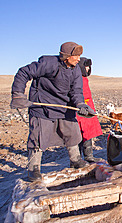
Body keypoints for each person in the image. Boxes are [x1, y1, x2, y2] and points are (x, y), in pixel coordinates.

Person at [10, 41, 96, 182]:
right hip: (43, 106)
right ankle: (33, 168)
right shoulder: (48, 64)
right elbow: (23, 72)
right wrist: (18, 94)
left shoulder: (75, 70)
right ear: (67, 56)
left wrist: (81, 104)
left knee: (72, 132)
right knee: (38, 137)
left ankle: (75, 160)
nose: (79, 59)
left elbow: (77, 91)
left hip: (64, 106)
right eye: (76, 56)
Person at [76, 57, 104, 163]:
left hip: (88, 109)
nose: (88, 69)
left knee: (88, 132)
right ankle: (76, 159)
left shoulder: (84, 79)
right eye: (86, 66)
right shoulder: (75, 78)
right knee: (78, 134)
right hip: (79, 110)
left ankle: (89, 156)